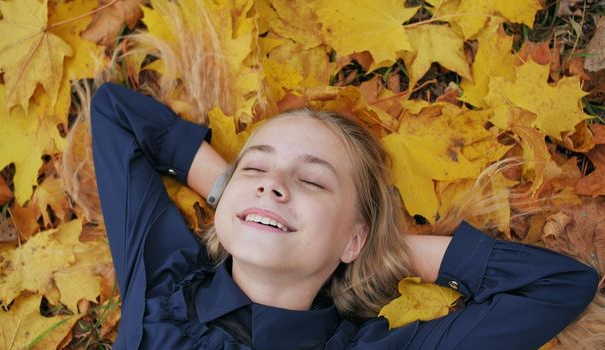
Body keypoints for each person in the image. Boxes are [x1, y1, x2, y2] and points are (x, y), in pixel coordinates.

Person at [90, 82, 600, 350]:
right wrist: (234, 194)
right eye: (256, 165)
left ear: (352, 241)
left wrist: (388, 251)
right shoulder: (162, 282)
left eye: (311, 180)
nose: (272, 182)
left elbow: (558, 287)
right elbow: (114, 111)